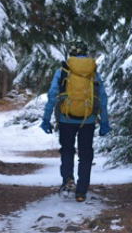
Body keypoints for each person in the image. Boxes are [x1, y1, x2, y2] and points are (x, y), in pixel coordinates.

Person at [40, 42, 111, 202]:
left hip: (66, 118)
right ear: (86, 53)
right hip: (88, 119)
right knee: (85, 154)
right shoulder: (93, 72)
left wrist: (46, 119)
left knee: (67, 150)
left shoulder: (63, 71)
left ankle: (68, 180)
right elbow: (102, 98)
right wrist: (104, 123)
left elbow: (52, 95)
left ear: (70, 53)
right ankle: (81, 191)